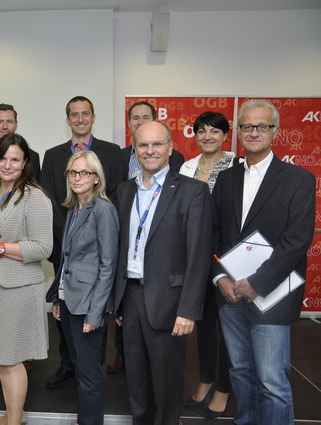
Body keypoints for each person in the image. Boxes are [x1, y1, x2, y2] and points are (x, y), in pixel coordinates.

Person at [212, 100, 315, 425]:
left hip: (272, 294)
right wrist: (219, 278)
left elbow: (297, 241)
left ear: (275, 132)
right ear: (238, 132)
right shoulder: (227, 179)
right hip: (230, 295)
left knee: (272, 382)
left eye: (262, 126)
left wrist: (256, 283)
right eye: (247, 126)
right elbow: (214, 233)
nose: (254, 132)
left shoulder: (298, 179)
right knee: (240, 372)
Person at [113, 121, 212, 425]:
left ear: (171, 147)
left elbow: (199, 256)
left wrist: (188, 310)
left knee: (167, 382)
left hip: (170, 302)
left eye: (157, 144)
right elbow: (121, 247)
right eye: (143, 145)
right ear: (135, 149)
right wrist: (117, 301)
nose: (150, 151)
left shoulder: (192, 191)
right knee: (137, 380)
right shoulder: (124, 190)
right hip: (130, 296)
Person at [0, 133, 53, 425]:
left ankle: (14, 421)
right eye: (3, 158)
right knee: (0, 358)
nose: (8, 164)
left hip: (16, 289)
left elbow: (43, 247)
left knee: (10, 359)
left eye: (15, 159)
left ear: (25, 163)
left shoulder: (34, 196)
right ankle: (14, 415)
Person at [41, 95, 123, 389]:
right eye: (73, 115)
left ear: (93, 117)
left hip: (96, 242)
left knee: (89, 322)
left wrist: (88, 229)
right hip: (64, 244)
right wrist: (67, 237)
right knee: (64, 311)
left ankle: (89, 369)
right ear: (67, 120)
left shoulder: (112, 153)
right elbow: (50, 201)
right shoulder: (52, 155)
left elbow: (115, 195)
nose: (79, 119)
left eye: (84, 113)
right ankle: (67, 364)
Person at [46, 150, 119, 425]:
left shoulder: (103, 210)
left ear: (96, 178)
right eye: (73, 172)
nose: (77, 177)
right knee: (79, 369)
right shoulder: (74, 208)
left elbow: (108, 265)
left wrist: (95, 313)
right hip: (69, 301)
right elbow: (67, 260)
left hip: (88, 305)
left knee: (89, 375)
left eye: (84, 173)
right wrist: (58, 298)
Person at [179, 111, 236, 418]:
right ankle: (205, 379)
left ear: (225, 135)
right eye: (202, 131)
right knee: (203, 324)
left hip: (227, 256)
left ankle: (225, 387)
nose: (208, 136)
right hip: (196, 255)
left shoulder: (237, 166)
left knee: (228, 325)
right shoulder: (187, 167)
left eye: (215, 131)